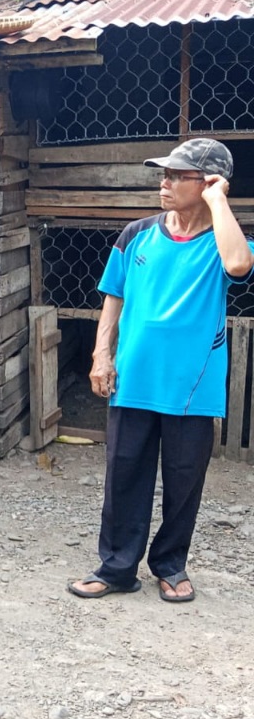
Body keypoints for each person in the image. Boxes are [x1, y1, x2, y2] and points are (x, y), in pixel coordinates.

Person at [69, 138, 253, 603]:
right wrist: (101, 354)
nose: (164, 183)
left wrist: (217, 201)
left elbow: (238, 264)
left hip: (193, 385)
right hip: (134, 378)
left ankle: (170, 565)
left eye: (176, 175)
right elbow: (115, 294)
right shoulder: (137, 234)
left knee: (184, 478)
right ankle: (116, 568)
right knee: (124, 474)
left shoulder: (224, 238)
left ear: (209, 182)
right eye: (163, 174)